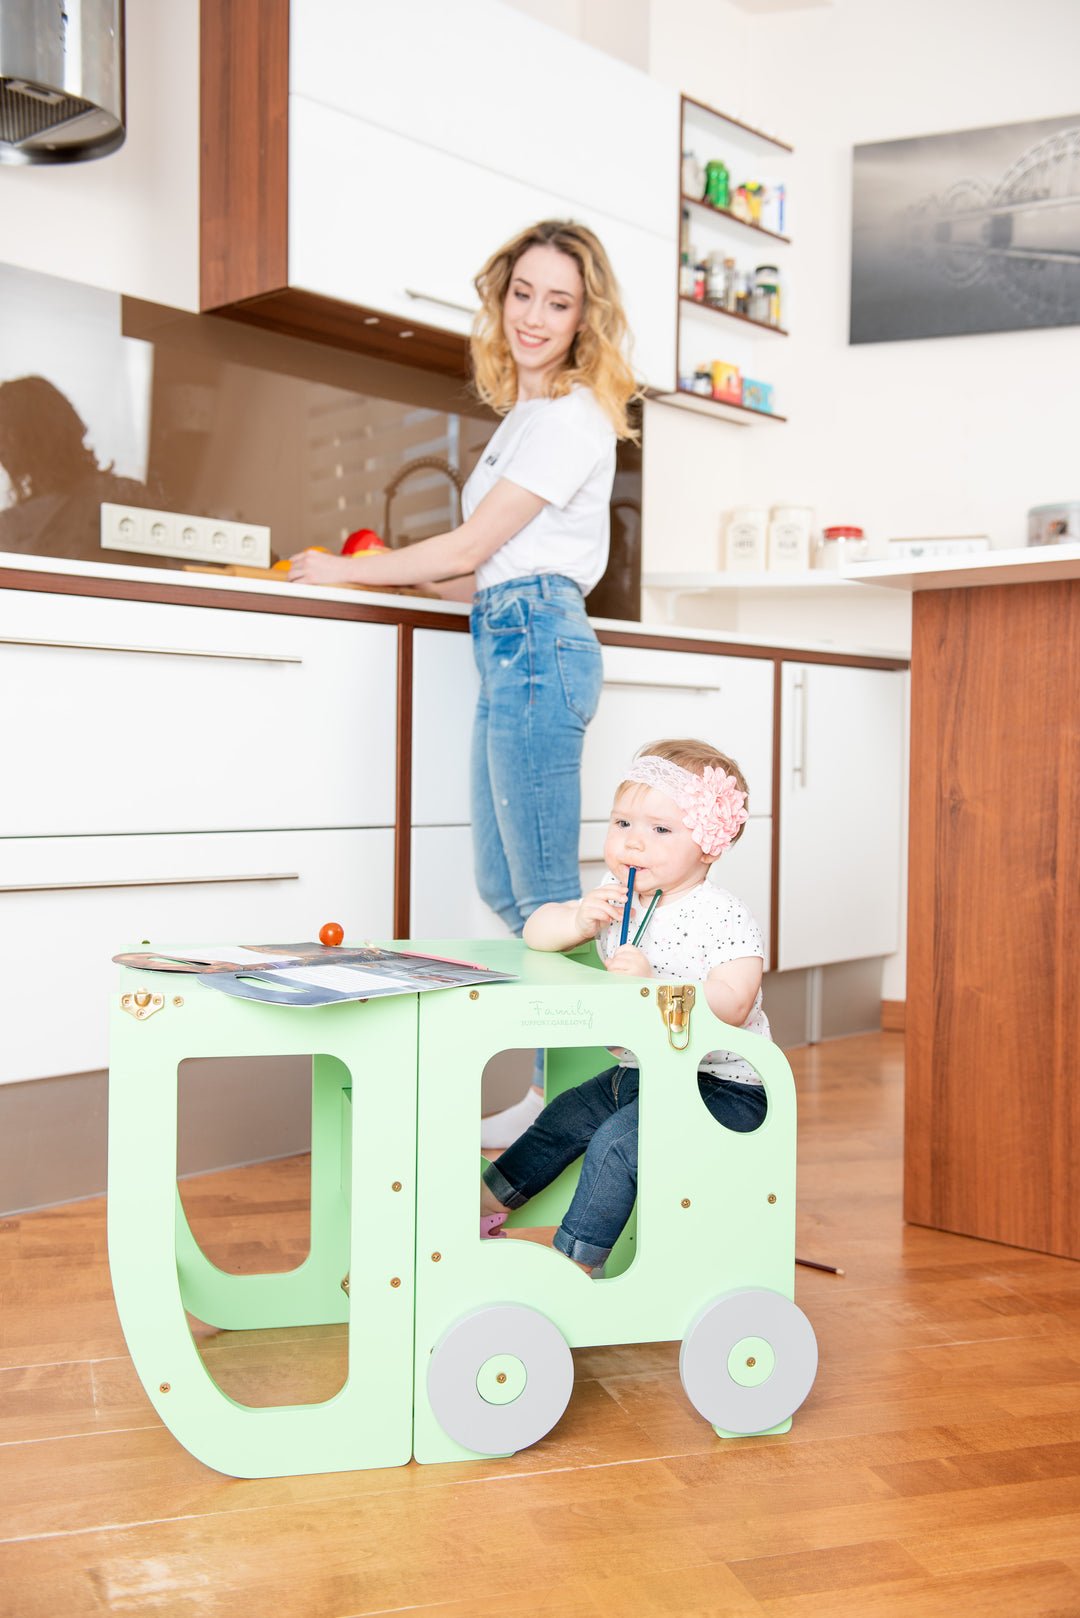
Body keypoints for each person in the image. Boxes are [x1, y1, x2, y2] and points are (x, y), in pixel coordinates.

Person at [288, 220, 640, 1145]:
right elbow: (475, 571)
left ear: (583, 318)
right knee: (511, 885)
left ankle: (603, 1086)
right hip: (510, 637)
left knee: (549, 896)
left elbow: (477, 548)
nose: (534, 315)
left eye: (557, 302)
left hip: (539, 641)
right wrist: (372, 568)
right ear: (502, 297)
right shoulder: (524, 419)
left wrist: (346, 571)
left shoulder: (571, 417)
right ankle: (577, 1085)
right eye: (523, 293)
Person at [479, 738, 771, 1273]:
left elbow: (734, 1001)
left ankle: (572, 1265)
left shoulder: (720, 915)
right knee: (563, 1114)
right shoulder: (618, 894)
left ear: (709, 845)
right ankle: (483, 1208)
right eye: (622, 824)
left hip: (724, 1088)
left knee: (617, 1145)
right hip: (644, 1070)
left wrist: (654, 984)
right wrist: (577, 921)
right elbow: (536, 932)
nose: (634, 844)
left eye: (660, 830)